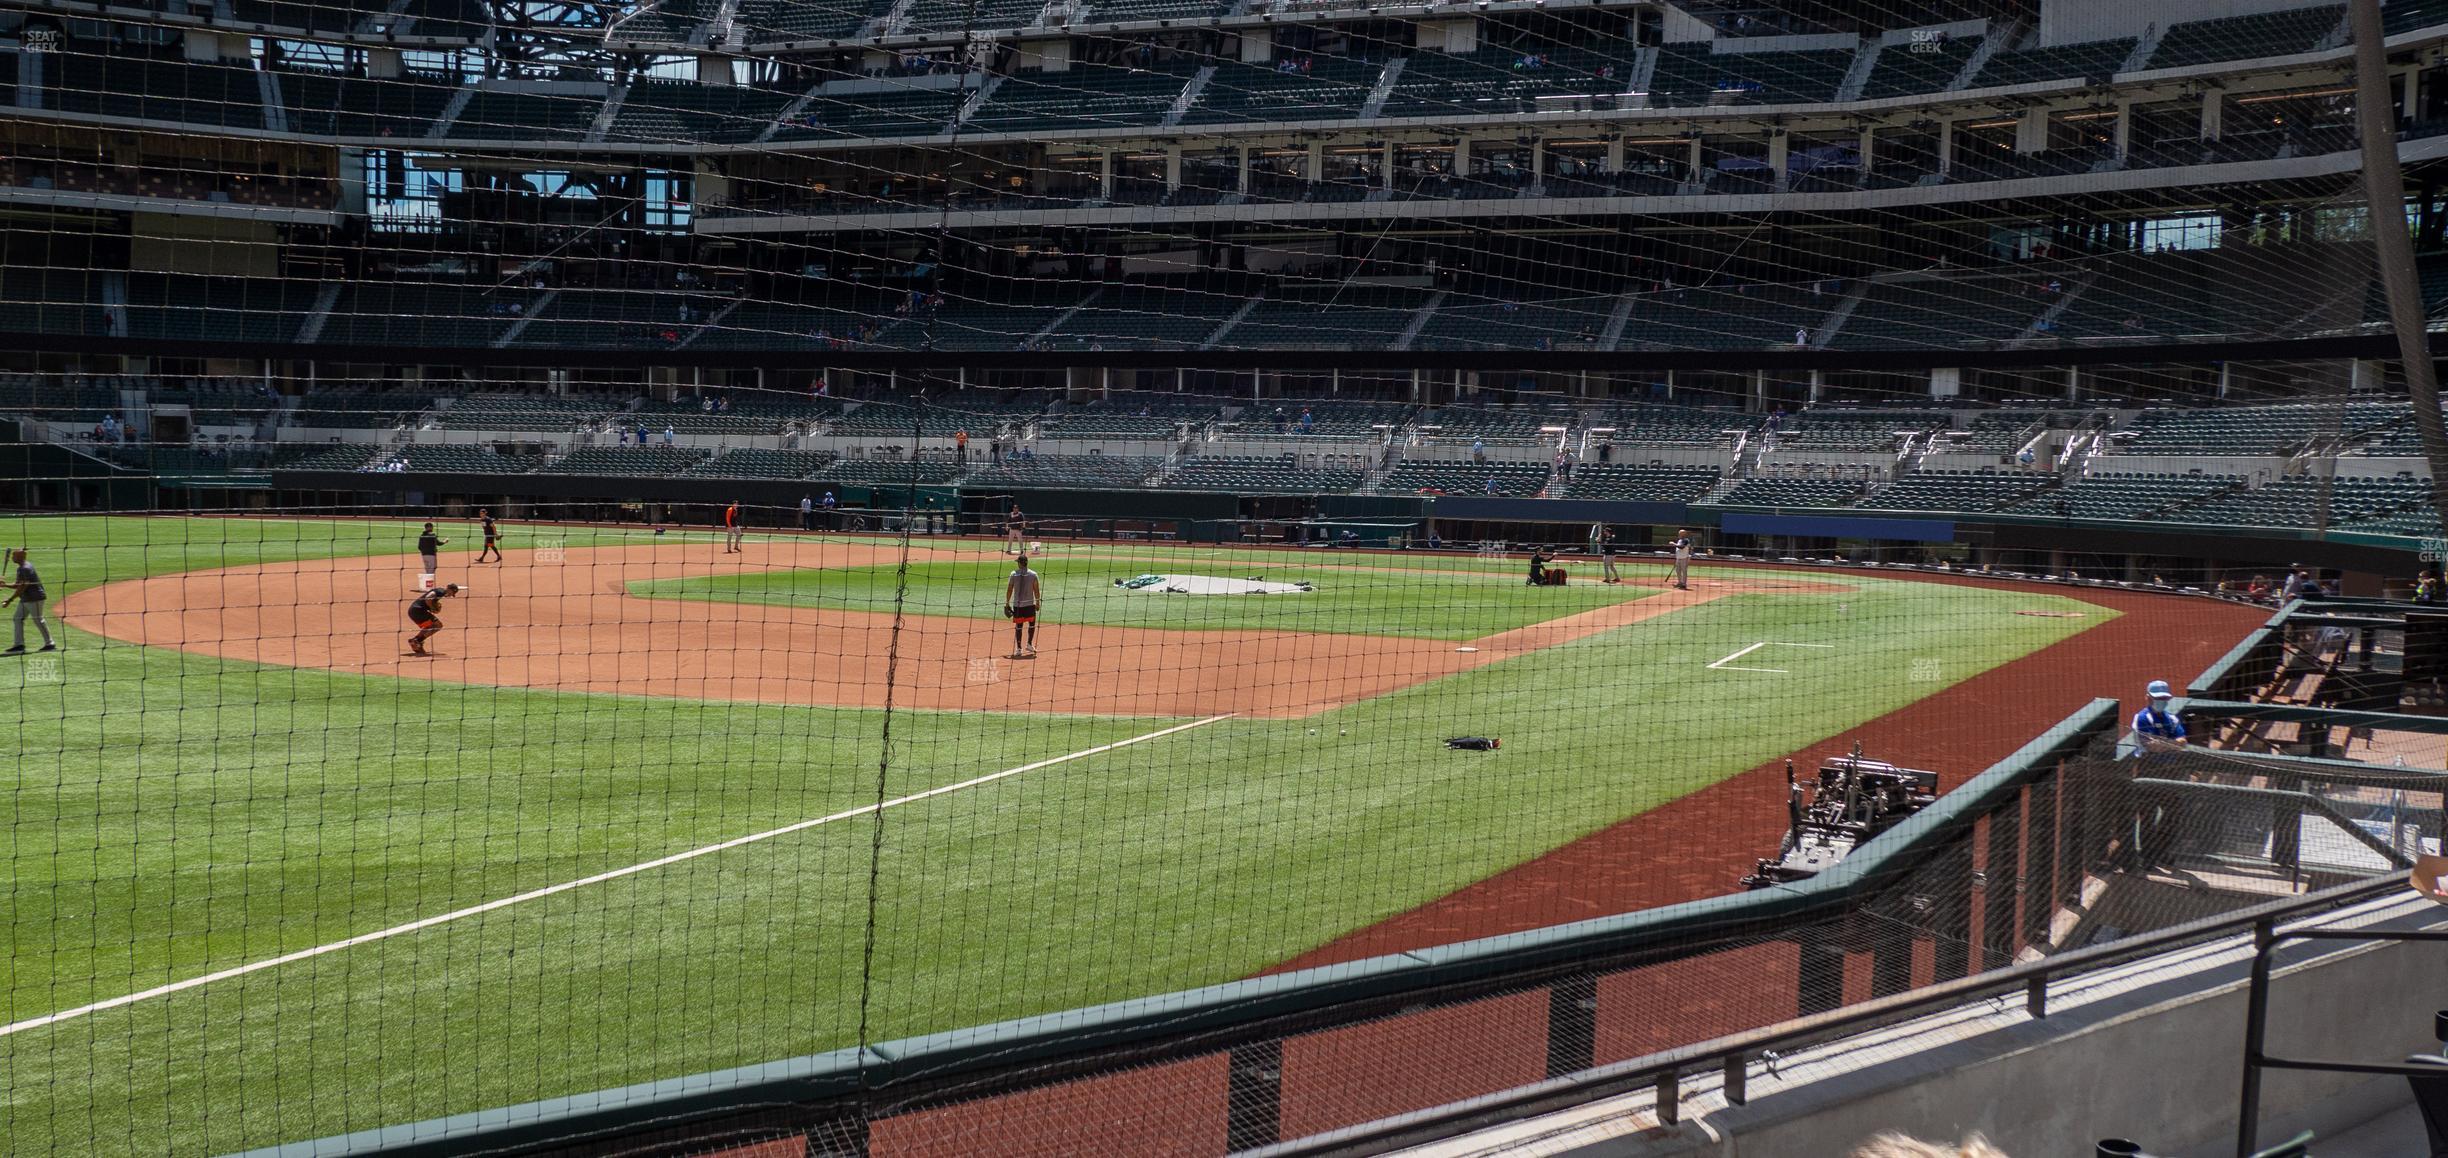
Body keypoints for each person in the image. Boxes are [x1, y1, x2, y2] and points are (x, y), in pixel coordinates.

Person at [3, 548, 54, 654]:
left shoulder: (25, 568)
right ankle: (19, 645)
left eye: (14, 556)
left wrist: (9, 600)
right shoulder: (21, 568)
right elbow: (18, 585)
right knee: (17, 618)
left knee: (38, 620)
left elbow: (22, 587)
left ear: (20, 557)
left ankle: (50, 643)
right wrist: (5, 584)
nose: (12, 557)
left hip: (34, 598)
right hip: (26, 599)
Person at [404, 583, 462, 657]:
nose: (451, 595)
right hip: (418, 610)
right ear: (449, 589)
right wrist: (432, 607)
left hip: (413, 611)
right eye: (452, 593)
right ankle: (417, 641)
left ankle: (416, 641)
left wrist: (433, 606)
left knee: (430, 626)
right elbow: (428, 597)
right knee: (438, 625)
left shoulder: (440, 592)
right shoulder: (441, 591)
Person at [1004, 554, 1042, 659]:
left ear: (1020, 563)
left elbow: (1009, 589)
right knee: (1032, 624)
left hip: (1018, 605)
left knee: (1019, 627)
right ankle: (1029, 644)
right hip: (1030, 605)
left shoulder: (1013, 574)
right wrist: (1038, 602)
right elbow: (1036, 590)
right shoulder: (1033, 574)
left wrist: (1007, 602)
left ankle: (1019, 649)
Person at [2133, 679, 2187, 750]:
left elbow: (2183, 742)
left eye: (2164, 698)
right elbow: (2152, 747)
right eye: (2158, 698)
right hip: (2147, 758)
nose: (2161, 700)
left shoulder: (2172, 718)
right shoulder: (2142, 717)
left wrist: (2161, 743)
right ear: (2148, 698)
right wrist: (2174, 743)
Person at [417, 522, 446, 588]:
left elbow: (419, 547)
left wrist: (424, 551)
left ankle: (427, 585)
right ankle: (429, 586)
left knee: (427, 570)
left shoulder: (421, 536)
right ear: (428, 527)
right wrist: (445, 541)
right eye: (431, 527)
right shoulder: (433, 535)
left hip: (424, 555)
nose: (432, 528)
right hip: (431, 555)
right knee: (432, 570)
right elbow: (439, 543)